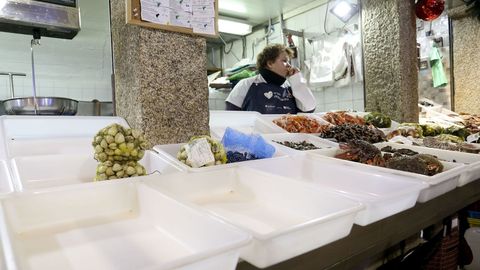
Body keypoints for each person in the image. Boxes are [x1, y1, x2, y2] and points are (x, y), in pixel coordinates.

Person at [225, 44, 316, 114]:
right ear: (270, 63)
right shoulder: (246, 84)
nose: (289, 65)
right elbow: (231, 117)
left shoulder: (290, 87)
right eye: (284, 61)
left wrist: (297, 79)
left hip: (288, 138)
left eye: (289, 61)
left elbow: (309, 110)